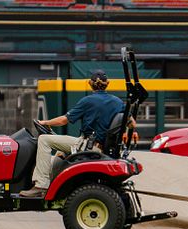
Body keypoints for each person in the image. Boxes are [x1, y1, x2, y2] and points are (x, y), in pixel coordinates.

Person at [19, 70, 125, 198]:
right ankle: (53, 185)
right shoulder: (118, 102)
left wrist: (45, 122)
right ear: (107, 84)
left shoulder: (87, 101)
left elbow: (64, 120)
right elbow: (131, 123)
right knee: (59, 154)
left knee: (44, 140)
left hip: (88, 146)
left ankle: (40, 185)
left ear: (90, 84)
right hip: (99, 146)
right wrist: (131, 132)